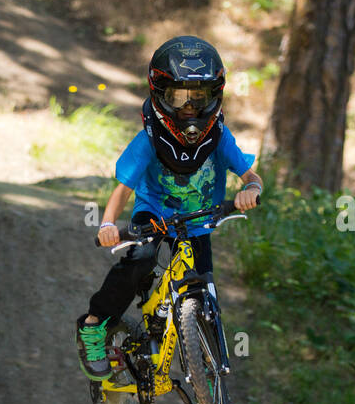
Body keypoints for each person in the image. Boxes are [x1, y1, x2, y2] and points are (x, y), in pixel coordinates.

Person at [76, 35, 263, 380]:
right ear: (161, 95)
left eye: (199, 97)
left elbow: (249, 173)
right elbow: (123, 189)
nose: (189, 108)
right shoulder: (149, 139)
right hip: (154, 217)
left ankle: (205, 357)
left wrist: (251, 187)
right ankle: (93, 324)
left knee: (203, 282)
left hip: (198, 221)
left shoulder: (218, 137)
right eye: (179, 97)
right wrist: (107, 224)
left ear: (215, 95)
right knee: (141, 260)